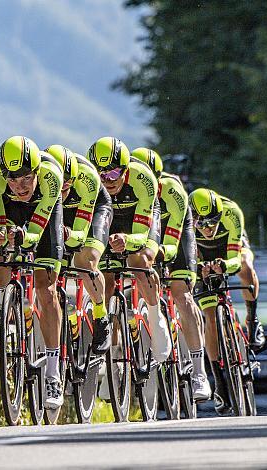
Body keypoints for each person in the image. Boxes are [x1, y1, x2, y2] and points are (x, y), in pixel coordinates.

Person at [0, 136, 65, 409]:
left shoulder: (51, 176)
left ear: (37, 171)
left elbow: (37, 230)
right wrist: (1, 237)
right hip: (11, 212)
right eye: (13, 179)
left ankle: (53, 374)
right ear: (3, 175)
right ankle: (1, 303)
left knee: (45, 287)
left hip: (45, 214)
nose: (20, 185)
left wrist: (25, 239)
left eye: (26, 178)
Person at [131, 147, 211, 401]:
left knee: (180, 292)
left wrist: (160, 254)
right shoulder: (133, 189)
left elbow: (173, 239)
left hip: (175, 236)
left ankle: (199, 372)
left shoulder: (173, 190)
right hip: (148, 237)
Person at [87, 137, 171, 363]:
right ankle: (113, 362)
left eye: (113, 174)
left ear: (125, 170)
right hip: (111, 221)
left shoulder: (143, 179)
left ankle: (156, 318)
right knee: (105, 278)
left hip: (139, 221)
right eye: (101, 175)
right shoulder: (91, 185)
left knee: (141, 260)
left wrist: (128, 240)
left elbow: (143, 234)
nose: (108, 181)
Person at [188, 187, 265, 415]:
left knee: (246, 265)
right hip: (202, 254)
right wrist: (199, 268)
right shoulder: (186, 222)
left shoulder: (232, 213)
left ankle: (253, 319)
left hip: (230, 250)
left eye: (212, 222)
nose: (208, 228)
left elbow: (234, 257)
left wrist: (224, 266)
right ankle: (220, 382)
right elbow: (188, 257)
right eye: (201, 224)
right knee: (210, 316)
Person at [45, 145, 113, 354]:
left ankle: (101, 316)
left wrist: (67, 236)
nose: (61, 194)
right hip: (61, 215)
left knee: (85, 260)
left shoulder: (88, 178)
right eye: (58, 189)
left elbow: (80, 236)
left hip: (92, 211)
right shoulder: (41, 177)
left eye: (66, 189)